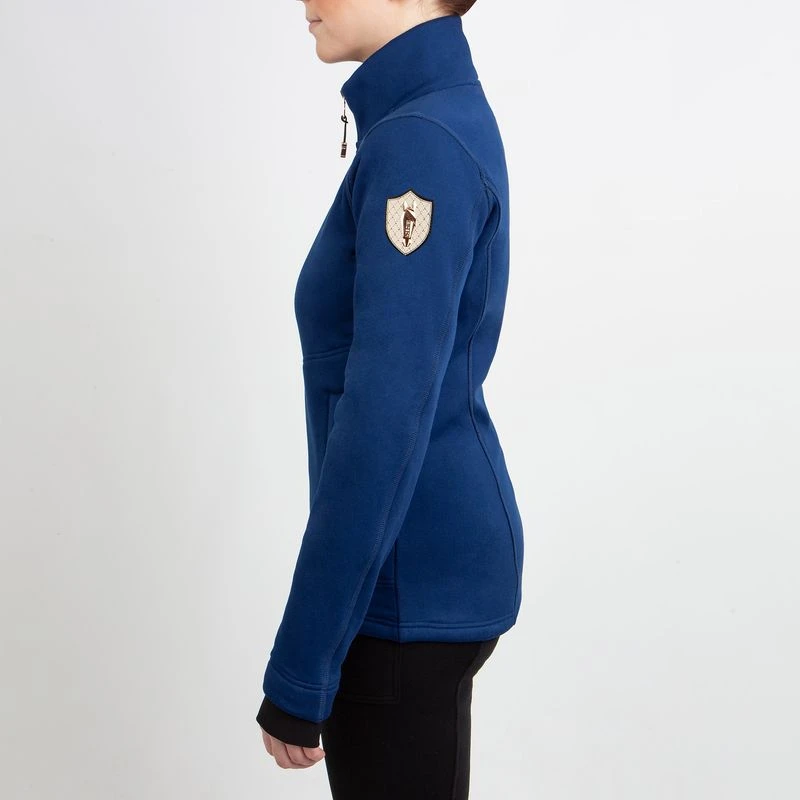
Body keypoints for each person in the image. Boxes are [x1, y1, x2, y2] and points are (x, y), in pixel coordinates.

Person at [257, 2, 524, 796]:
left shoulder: (419, 143)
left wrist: (302, 664)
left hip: (408, 583)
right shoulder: (424, 122)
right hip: (420, 566)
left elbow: (383, 419)